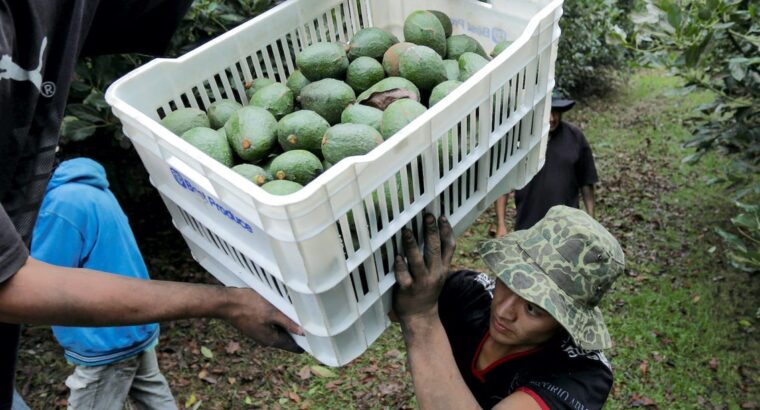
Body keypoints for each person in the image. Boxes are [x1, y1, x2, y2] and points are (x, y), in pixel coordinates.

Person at [0, 3, 302, 408]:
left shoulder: (58, 210)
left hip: (104, 345)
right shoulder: (88, 192)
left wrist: (228, 301)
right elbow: (15, 285)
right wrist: (226, 302)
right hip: (138, 331)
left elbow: (28, 281)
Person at [393, 205, 624, 409]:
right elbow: (391, 306)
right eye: (509, 281)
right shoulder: (471, 294)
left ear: (566, 321)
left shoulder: (582, 375)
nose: (504, 311)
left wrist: (421, 317)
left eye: (533, 308)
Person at [31, 157, 178, 409]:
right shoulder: (87, 187)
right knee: (151, 393)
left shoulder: (59, 206)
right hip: (133, 319)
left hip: (104, 335)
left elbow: (41, 281)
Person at [494, 92, 598, 237]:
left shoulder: (575, 137)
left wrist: (591, 222)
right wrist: (501, 224)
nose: (551, 118)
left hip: (567, 230)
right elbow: (502, 186)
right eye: (546, 112)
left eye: (555, 112)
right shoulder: (520, 140)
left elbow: (586, 182)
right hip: (528, 227)